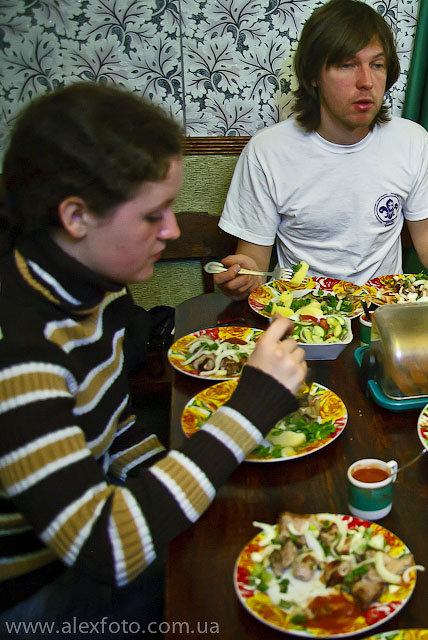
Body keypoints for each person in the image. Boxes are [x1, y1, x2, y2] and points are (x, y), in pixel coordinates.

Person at [0, 83, 307, 633]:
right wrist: (250, 408)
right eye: (153, 215)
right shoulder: (20, 354)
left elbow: (114, 430)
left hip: (90, 542)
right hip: (32, 595)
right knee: (225, 602)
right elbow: (107, 546)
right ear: (76, 217)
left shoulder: (92, 286)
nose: (172, 229)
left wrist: (203, 495)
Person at [214, 0, 428, 300]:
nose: (366, 82)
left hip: (384, 309)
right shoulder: (267, 151)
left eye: (377, 65)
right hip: (305, 312)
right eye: (346, 65)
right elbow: (254, 262)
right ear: (314, 75)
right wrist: (242, 277)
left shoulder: (411, 141)